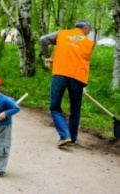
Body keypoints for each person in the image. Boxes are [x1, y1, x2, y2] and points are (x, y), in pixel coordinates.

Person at [40, 19, 95, 147]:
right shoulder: (88, 43)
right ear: (85, 28)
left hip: (60, 73)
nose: (88, 33)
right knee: (75, 108)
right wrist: (83, 84)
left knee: (55, 107)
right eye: (89, 31)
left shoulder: (62, 34)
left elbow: (43, 40)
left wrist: (48, 57)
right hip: (78, 77)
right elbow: (84, 61)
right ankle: (73, 138)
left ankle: (65, 136)